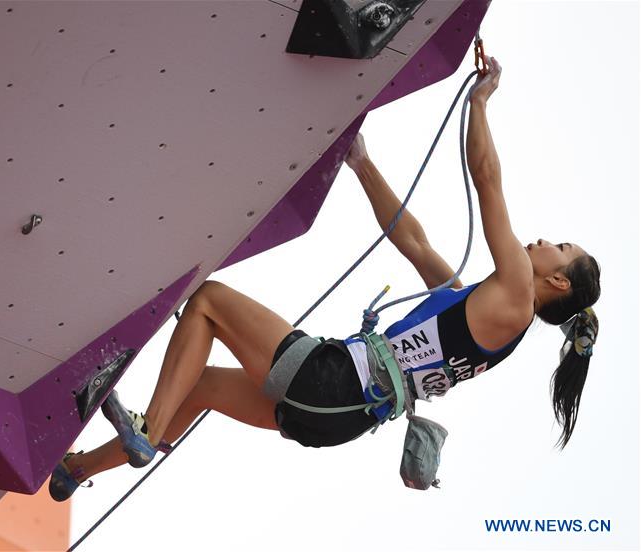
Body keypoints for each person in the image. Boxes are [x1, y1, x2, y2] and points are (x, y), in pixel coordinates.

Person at [48, 55, 601, 501]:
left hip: (334, 380)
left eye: (558, 248)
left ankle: (146, 432)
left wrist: (480, 101)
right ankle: (78, 468)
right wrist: (361, 163)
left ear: (557, 284)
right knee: (199, 388)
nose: (542, 242)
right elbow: (412, 240)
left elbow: (487, 184)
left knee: (210, 301)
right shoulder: (474, 308)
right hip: (337, 418)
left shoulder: (514, 300)